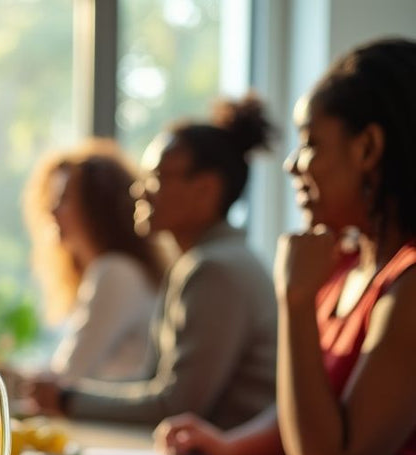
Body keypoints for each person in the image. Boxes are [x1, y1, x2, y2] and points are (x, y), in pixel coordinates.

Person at [156, 38, 416, 455]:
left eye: (311, 142)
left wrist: (295, 301)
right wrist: (230, 445)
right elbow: (310, 407)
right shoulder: (342, 264)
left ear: (367, 149)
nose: (292, 163)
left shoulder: (410, 285)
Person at [29, 95, 277, 429]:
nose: (139, 191)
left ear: (205, 189)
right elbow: (152, 388)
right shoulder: (202, 262)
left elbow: (177, 407)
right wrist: (70, 395)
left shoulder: (214, 270)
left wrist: (68, 399)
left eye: (156, 176)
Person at [23, 139, 165, 381]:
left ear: (97, 207)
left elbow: (66, 378)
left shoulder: (115, 273)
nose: (52, 211)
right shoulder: (114, 271)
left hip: (109, 420)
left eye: (64, 198)